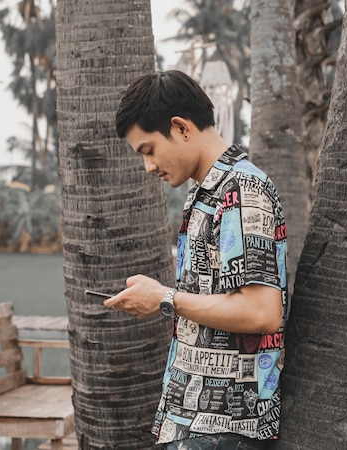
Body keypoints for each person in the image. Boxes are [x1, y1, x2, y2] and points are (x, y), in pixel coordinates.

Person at [105, 70, 288, 449]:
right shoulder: (206, 192)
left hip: (225, 430)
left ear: (181, 128)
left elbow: (262, 312)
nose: (149, 167)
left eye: (149, 150)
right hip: (195, 424)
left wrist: (164, 298)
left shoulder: (241, 188)